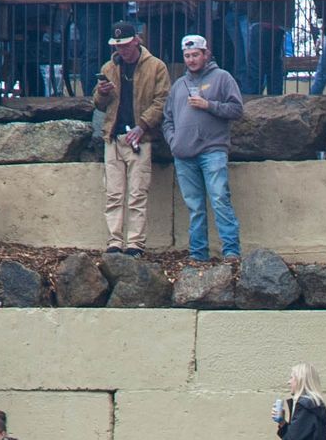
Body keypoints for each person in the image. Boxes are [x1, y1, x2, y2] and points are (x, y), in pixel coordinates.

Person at [163, 33, 245, 263]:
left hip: (213, 150)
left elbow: (237, 110)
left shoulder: (222, 78)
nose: (191, 60)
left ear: (206, 54)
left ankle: (231, 251)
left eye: (195, 55)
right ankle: (198, 255)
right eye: (187, 56)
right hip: (183, 154)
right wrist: (173, 140)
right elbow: (167, 119)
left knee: (220, 199)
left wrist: (209, 105)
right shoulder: (179, 85)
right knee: (195, 206)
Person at [91, 20, 168, 257]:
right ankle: (114, 241)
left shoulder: (156, 67)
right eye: (117, 46)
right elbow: (98, 104)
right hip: (113, 137)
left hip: (140, 139)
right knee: (113, 194)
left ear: (136, 40)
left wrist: (142, 125)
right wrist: (101, 94)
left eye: (124, 45)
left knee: (137, 194)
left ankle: (135, 243)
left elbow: (162, 101)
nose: (121, 50)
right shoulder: (108, 67)